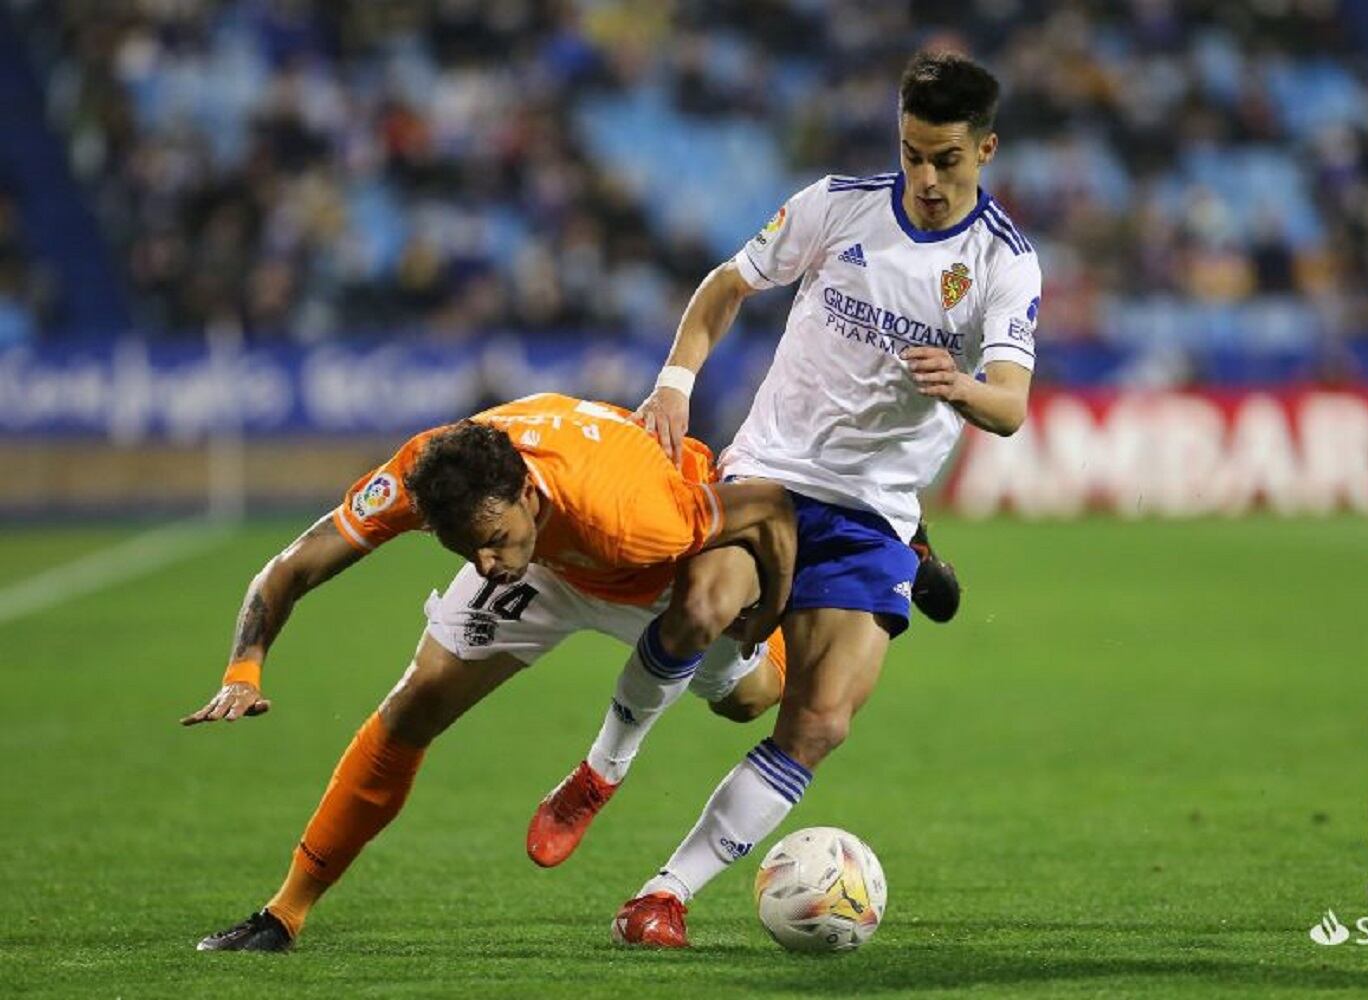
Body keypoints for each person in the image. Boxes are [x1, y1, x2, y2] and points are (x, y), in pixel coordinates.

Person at [530, 51, 1042, 947]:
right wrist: (675, 382)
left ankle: (663, 895)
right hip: (769, 473)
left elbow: (1010, 403)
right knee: (700, 605)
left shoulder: (1002, 263)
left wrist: (960, 386)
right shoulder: (836, 204)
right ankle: (599, 772)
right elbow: (727, 285)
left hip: (873, 513)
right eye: (912, 153)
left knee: (820, 718)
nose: (924, 177)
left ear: (986, 150)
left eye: (946, 160)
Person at [187, 392, 797, 951]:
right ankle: (283, 914)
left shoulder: (637, 512)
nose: (481, 563)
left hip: (657, 572)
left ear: (527, 496)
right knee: (416, 702)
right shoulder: (431, 479)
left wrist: (770, 610)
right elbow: (289, 568)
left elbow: (769, 508)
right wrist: (244, 669)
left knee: (749, 700)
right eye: (462, 547)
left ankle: (615, 758)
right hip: (544, 563)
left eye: (492, 539)